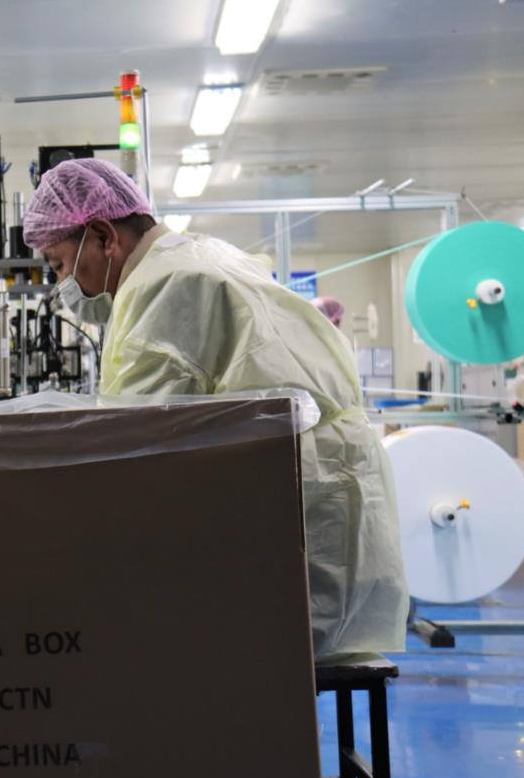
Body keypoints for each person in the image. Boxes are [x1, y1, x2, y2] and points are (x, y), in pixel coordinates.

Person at [23, 158, 408, 660]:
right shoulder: (202, 256)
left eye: (58, 265)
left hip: (295, 537)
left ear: (102, 236)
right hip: (322, 508)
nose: (63, 287)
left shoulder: (163, 286)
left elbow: (135, 444)